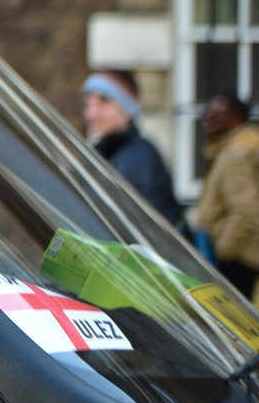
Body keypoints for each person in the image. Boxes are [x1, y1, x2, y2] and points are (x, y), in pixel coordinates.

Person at [81, 70, 179, 223]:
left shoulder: (136, 160)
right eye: (89, 104)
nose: (91, 113)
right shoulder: (111, 152)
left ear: (127, 109)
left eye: (103, 103)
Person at [191, 90, 259, 299]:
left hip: (240, 260)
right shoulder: (229, 148)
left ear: (236, 119)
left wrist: (221, 255)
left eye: (215, 114)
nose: (207, 120)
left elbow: (245, 212)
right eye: (207, 113)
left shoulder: (237, 154)